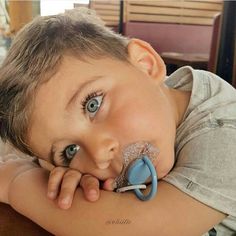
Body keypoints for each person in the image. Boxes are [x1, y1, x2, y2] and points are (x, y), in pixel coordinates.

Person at [0, 8, 235, 236]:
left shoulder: (224, 128)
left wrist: (16, 184)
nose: (100, 154)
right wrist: (63, 176)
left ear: (146, 65)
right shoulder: (151, 112)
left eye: (93, 105)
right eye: (71, 151)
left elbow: (138, 227)